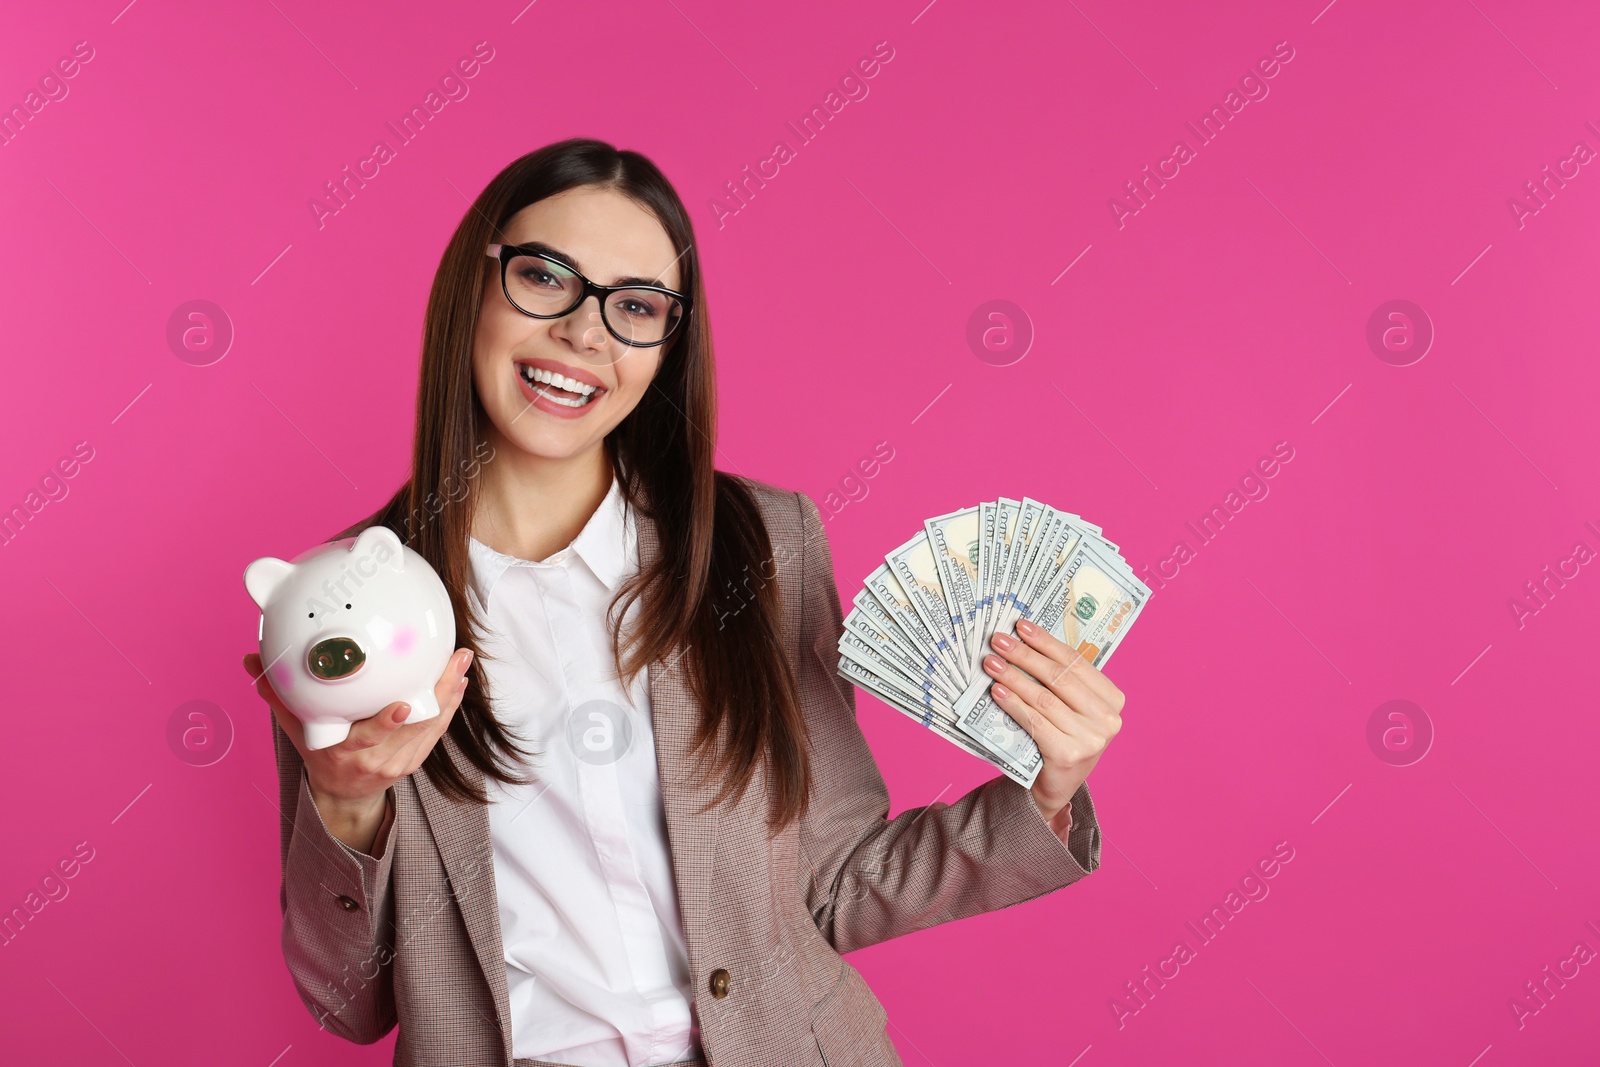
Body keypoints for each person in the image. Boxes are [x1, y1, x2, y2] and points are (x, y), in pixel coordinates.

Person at [241, 137, 1121, 1067]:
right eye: (545, 277)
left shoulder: (766, 543)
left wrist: (1049, 790)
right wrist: (343, 806)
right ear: (474, 284)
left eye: (634, 307)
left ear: (668, 344)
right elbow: (350, 1002)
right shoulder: (347, 607)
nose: (585, 334)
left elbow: (835, 883)